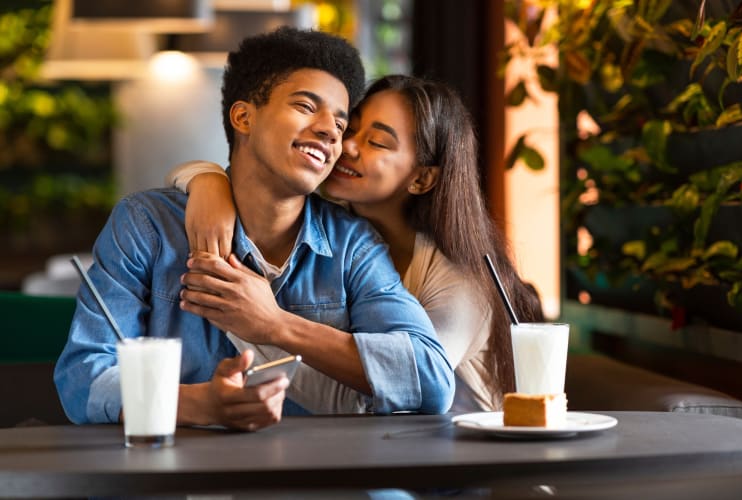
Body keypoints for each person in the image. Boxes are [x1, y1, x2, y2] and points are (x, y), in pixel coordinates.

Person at [54, 29, 455, 431]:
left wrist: (276, 324)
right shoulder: (147, 227)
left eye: (339, 121)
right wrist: (198, 405)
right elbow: (81, 377)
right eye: (305, 106)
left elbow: (431, 379)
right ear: (244, 116)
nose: (331, 132)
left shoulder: (352, 245)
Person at [167, 74, 543, 412]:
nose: (345, 146)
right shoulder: (335, 233)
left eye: (377, 141)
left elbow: (372, 400)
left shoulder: (459, 282)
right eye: (350, 129)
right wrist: (206, 178)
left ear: (421, 179)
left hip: (452, 470)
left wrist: (261, 322)